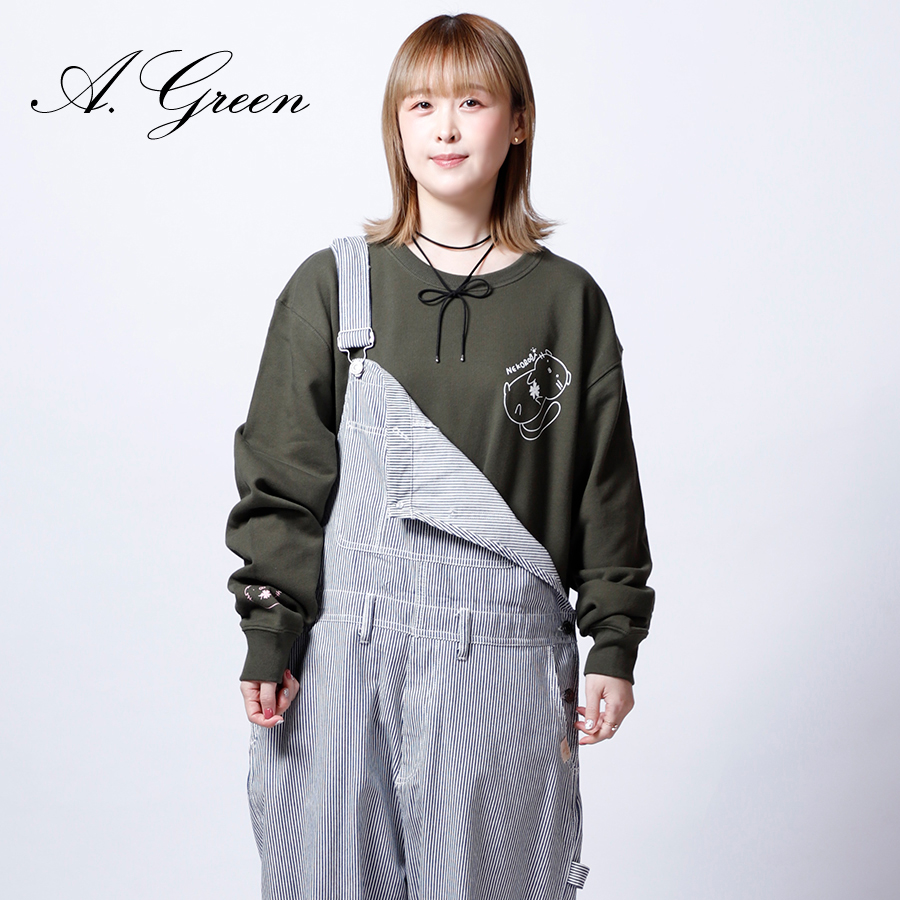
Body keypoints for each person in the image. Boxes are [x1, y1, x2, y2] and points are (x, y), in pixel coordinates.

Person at [225, 12, 654, 900]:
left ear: (518, 120)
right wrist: (270, 632)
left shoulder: (569, 302)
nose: (446, 128)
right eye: (421, 105)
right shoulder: (333, 285)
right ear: (396, 125)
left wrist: (613, 642)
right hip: (345, 654)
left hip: (502, 656)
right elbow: (282, 477)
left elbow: (603, 486)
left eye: (472, 102)